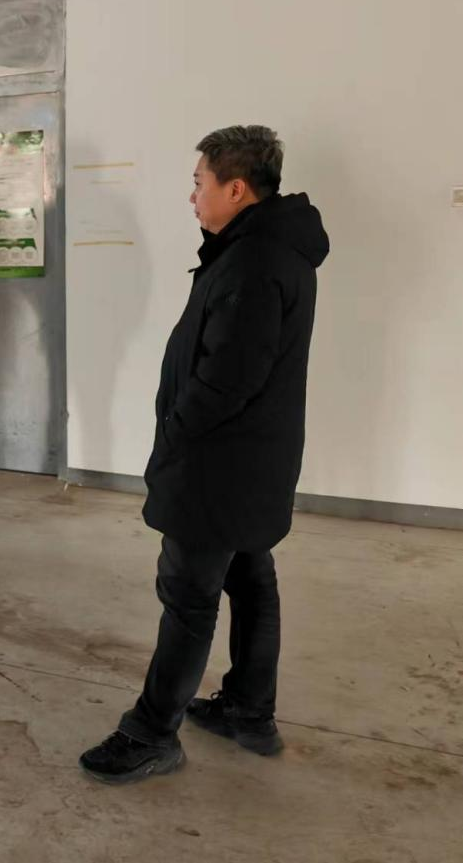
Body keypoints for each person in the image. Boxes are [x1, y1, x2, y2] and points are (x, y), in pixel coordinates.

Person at [80, 126, 330, 783]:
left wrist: (176, 429)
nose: (192, 196)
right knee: (249, 577)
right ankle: (249, 710)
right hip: (254, 462)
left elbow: (229, 378)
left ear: (236, 188)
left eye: (199, 183)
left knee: (189, 596)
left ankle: (150, 733)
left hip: (220, 466)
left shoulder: (254, 262)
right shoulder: (268, 249)